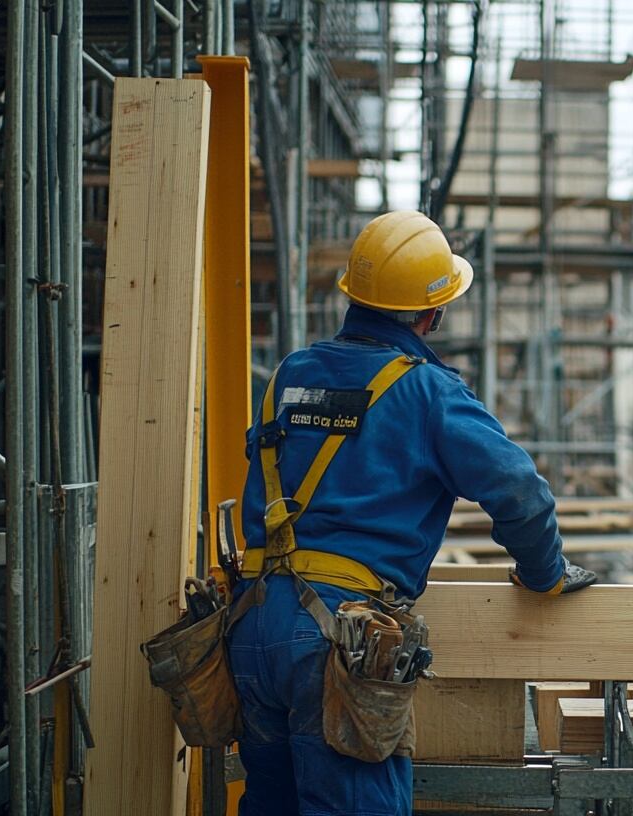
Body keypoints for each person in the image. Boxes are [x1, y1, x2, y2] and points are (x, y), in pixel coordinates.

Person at [228, 210, 597, 815]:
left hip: (254, 627)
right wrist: (545, 574)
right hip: (339, 641)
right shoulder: (427, 393)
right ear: (432, 314)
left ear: (355, 297)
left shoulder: (289, 375)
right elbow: (520, 493)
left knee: (272, 804)